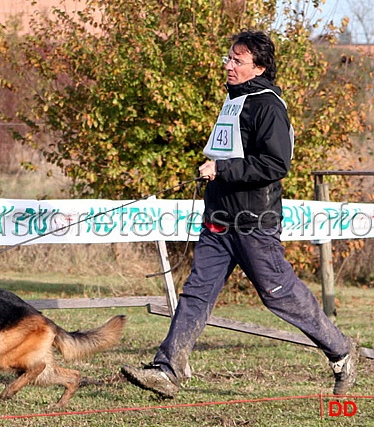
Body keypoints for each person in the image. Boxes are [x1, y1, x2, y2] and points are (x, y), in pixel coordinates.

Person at [121, 30, 358, 399]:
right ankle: (167, 370)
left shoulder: (268, 106)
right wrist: (214, 172)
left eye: (237, 60)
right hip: (219, 221)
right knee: (196, 294)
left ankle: (341, 350)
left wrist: (222, 170)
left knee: (279, 295)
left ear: (258, 67)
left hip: (253, 224)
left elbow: (276, 164)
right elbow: (229, 151)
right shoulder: (233, 102)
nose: (228, 65)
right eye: (228, 58)